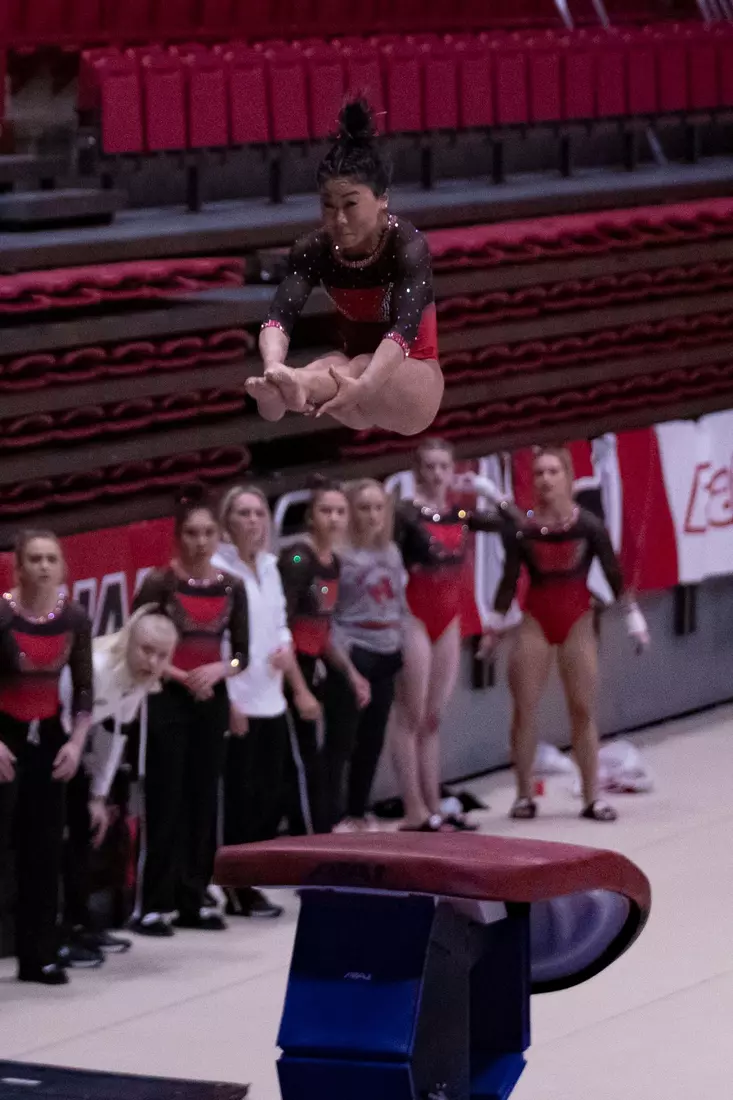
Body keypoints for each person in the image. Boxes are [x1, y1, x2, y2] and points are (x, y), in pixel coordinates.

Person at [246, 98, 443, 437]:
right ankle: (286, 388)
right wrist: (273, 365)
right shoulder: (315, 248)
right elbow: (279, 316)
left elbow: (405, 330)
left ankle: (296, 389)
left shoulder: (407, 245)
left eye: (350, 204)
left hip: (414, 384)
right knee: (330, 364)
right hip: (350, 387)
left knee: (354, 366)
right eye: (328, 205)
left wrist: (365, 385)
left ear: (382, 198)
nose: (338, 219)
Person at [484, 447, 650, 823]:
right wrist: (494, 625)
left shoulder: (588, 524)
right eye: (539, 472)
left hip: (576, 617)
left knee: (583, 709)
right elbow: (510, 577)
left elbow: (612, 570)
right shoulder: (525, 528)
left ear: (568, 477)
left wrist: (633, 616)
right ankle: (524, 795)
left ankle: (592, 797)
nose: (545, 479)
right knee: (524, 709)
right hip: (536, 618)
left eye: (553, 471)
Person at [131, 485, 249, 936]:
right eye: (192, 533)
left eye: (208, 533)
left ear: (219, 537)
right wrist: (183, 676)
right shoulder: (160, 583)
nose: (201, 541)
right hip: (167, 698)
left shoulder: (231, 586)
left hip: (211, 699)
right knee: (166, 800)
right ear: (178, 537)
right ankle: (153, 903)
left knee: (203, 800)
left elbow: (242, 654)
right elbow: (135, 644)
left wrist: (219, 670)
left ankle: (194, 895)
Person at [390, 439, 516, 832]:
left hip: (448, 618)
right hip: (413, 615)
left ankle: (434, 805)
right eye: (429, 466)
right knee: (409, 716)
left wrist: (489, 492)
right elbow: (384, 560)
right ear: (417, 471)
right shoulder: (405, 514)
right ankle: (414, 809)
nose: (437, 474)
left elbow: (518, 524)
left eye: (444, 466)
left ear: (453, 469)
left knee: (433, 718)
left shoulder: (460, 513)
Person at [213, 485, 320, 919]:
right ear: (228, 522)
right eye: (243, 513)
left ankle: (255, 876)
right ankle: (235, 886)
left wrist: (297, 683)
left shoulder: (274, 567)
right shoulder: (219, 571)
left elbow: (280, 628)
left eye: (259, 513)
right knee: (238, 799)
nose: (254, 521)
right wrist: (226, 701)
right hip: (238, 699)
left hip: (271, 697)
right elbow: (215, 642)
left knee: (270, 797)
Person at [60, 606, 178, 965]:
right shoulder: (96, 668)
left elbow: (115, 736)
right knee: (58, 842)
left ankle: (80, 925)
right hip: (54, 741)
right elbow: (59, 715)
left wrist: (98, 795)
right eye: (145, 650)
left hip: (80, 750)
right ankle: (58, 934)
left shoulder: (138, 682)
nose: (152, 661)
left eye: (161, 656)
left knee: (86, 835)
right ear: (128, 641)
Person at [0, 530, 93, 985]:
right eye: (33, 558)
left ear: (63, 568)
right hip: (4, 735)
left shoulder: (74, 618)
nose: (42, 566)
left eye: (50, 559)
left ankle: (38, 954)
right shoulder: (1, 614)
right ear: (18, 567)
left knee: (43, 851)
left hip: (51, 739)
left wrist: (76, 742)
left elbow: (84, 691)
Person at [278, 479, 370, 835]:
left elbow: (321, 629)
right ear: (310, 516)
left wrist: (350, 673)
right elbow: (282, 629)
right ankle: (309, 839)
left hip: (312, 660)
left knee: (333, 746)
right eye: (325, 511)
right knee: (303, 761)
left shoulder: (333, 562)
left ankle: (328, 823)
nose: (333, 519)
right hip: (289, 667)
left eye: (339, 512)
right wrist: (299, 688)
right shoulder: (299, 558)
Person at [324, 479, 406, 832]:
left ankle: (359, 809)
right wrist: (342, 657)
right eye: (363, 507)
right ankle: (331, 816)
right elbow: (323, 612)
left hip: (387, 649)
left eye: (378, 507)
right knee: (343, 740)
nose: (372, 515)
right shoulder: (338, 556)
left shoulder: (390, 551)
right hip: (353, 651)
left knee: (372, 739)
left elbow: (397, 600)